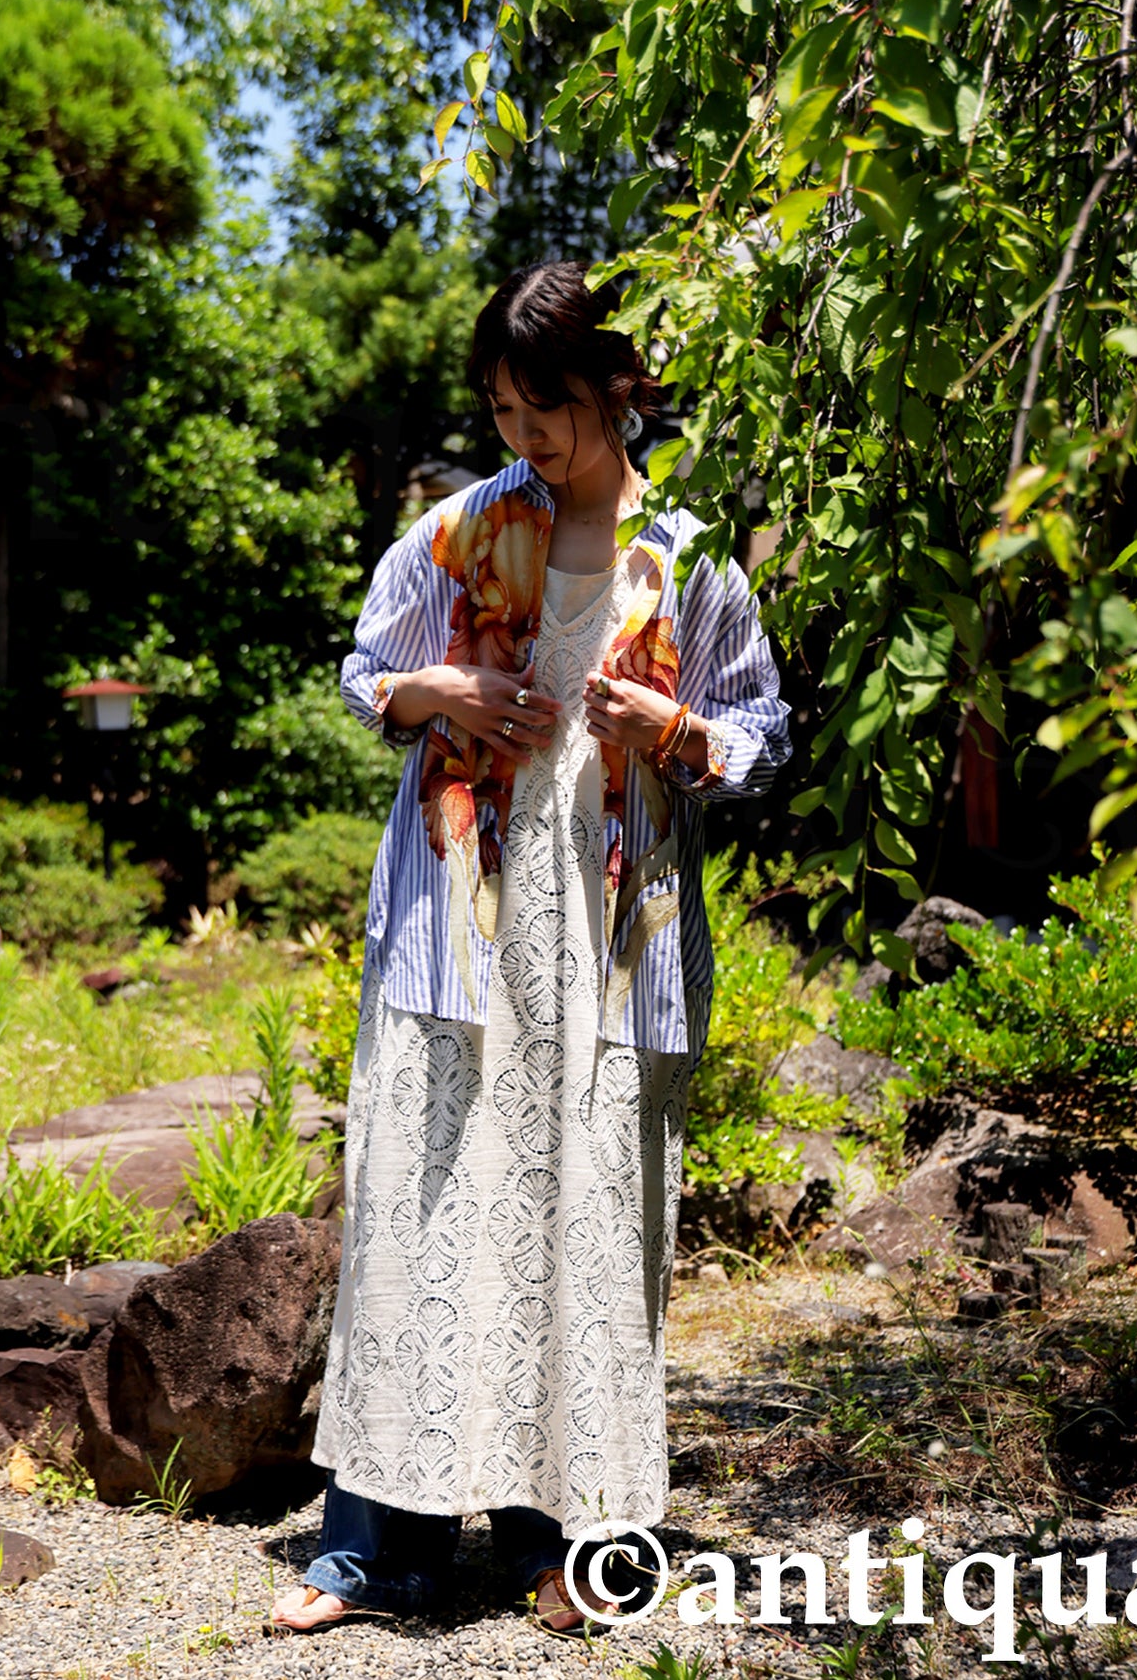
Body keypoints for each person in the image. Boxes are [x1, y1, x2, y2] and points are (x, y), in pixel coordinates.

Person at [270, 259, 792, 1634]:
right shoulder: (451, 536)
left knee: (591, 1217)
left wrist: (672, 735)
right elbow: (365, 670)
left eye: (544, 409)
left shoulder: (687, 563)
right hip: (460, 914)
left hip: (611, 928)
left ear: (619, 386)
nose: (524, 441)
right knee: (425, 1209)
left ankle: (577, 1545)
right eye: (502, 412)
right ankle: (378, 1551)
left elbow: (756, 730)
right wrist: (429, 686)